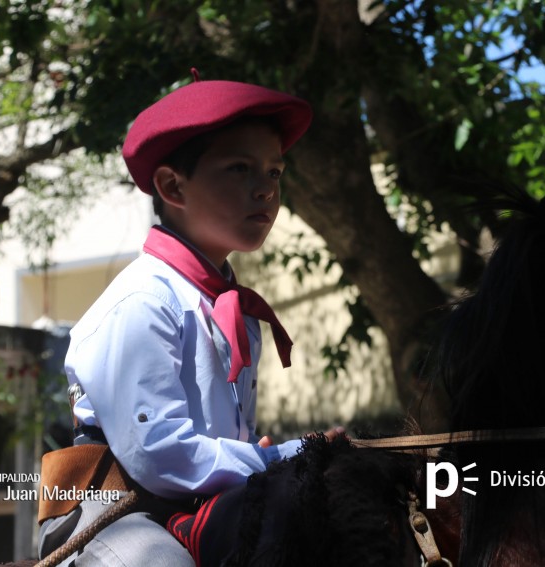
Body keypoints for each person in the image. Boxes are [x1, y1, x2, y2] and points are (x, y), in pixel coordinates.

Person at [37, 72, 343, 566]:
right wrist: (277, 458)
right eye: (240, 169)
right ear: (172, 186)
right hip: (114, 511)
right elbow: (158, 454)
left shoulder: (232, 309)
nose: (266, 190)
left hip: (196, 501)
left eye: (274, 173)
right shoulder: (143, 301)